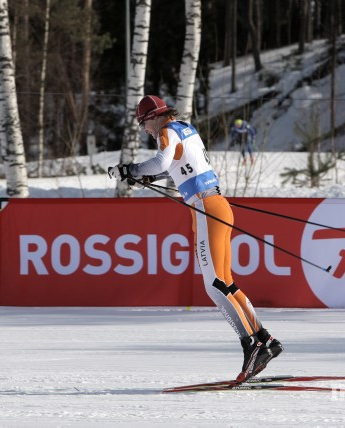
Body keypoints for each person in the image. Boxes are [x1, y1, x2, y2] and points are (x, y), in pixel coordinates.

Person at [108, 95, 282, 382]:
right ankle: (264, 339)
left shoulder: (166, 131)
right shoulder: (184, 128)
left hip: (204, 207)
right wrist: (150, 176)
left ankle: (253, 344)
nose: (145, 130)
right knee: (224, 282)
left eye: (143, 123)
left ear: (155, 117)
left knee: (214, 284)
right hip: (217, 204)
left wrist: (132, 170)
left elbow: (162, 160)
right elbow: (179, 164)